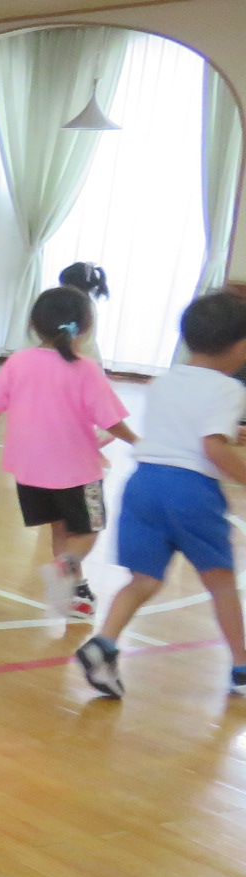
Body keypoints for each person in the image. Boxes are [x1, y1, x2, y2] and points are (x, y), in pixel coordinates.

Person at [76, 291, 246, 701]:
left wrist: (230, 432)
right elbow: (211, 448)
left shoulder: (164, 382)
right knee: (222, 585)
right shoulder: (229, 390)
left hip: (143, 486)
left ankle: (104, 643)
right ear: (239, 347)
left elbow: (180, 429)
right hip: (191, 493)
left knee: (143, 580)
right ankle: (242, 669)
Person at [0, 287, 134, 621]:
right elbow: (110, 420)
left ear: (34, 324)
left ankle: (73, 595)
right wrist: (138, 441)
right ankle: (64, 569)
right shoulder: (85, 368)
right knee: (88, 529)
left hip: (30, 470)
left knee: (61, 530)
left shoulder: (18, 361)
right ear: (86, 327)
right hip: (78, 470)